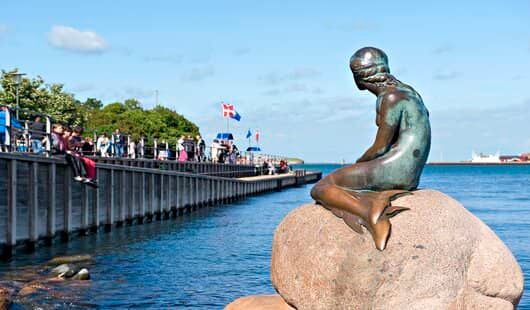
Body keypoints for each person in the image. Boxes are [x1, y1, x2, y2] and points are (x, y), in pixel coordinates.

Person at [310, 47, 431, 250]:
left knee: (321, 188)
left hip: (396, 169)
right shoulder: (408, 91)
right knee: (345, 178)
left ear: (358, 78)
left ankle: (369, 213)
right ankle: (370, 201)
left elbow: (380, 147)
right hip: (411, 171)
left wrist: (359, 164)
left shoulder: (389, 98)